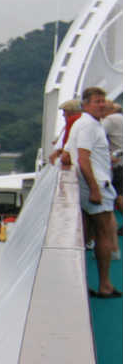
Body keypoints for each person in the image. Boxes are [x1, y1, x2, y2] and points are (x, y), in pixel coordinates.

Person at [67, 86, 118, 297]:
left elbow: (66, 155)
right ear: (86, 104)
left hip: (87, 184)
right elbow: (83, 158)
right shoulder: (89, 126)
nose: (102, 104)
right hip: (96, 185)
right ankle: (104, 284)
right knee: (104, 233)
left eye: (103, 101)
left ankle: (80, 282)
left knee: (86, 234)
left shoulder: (81, 123)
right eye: (97, 101)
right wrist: (95, 190)